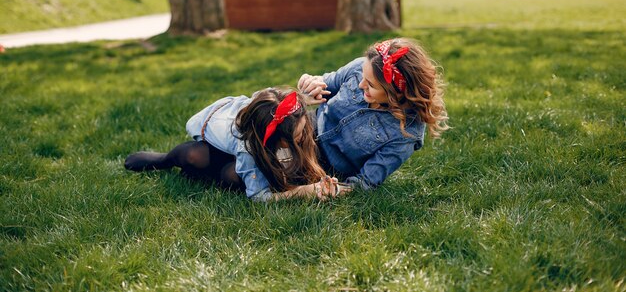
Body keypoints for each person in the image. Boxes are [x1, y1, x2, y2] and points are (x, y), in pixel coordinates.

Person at [124, 88, 341, 201]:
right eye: (299, 133)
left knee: (232, 175)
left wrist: (304, 97)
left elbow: (277, 99)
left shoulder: (284, 115)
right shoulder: (247, 148)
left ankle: (205, 175)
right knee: (194, 155)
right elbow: (259, 197)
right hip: (216, 132)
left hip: (251, 139)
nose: (305, 134)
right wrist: (302, 192)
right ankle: (164, 160)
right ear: (278, 140)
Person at [298, 37, 449, 190]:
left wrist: (334, 189)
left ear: (396, 93)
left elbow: (365, 182)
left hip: (322, 164)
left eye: (370, 85)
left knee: (280, 166)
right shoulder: (361, 66)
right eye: (363, 77)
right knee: (274, 109)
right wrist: (310, 85)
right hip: (307, 125)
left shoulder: (406, 133)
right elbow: (325, 83)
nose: (360, 84)